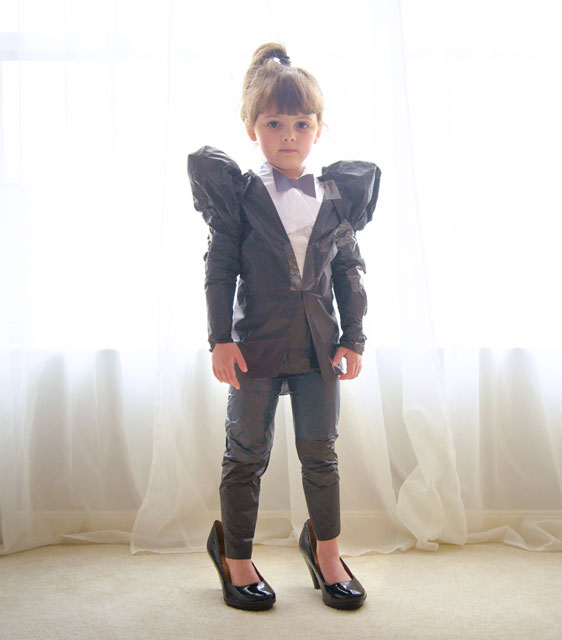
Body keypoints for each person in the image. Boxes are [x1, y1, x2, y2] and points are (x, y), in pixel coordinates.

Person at [187, 42, 380, 611]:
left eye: (301, 123)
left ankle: (327, 553)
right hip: (256, 348)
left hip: (320, 348)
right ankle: (236, 556)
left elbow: (348, 270)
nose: (288, 135)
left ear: (319, 128)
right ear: (252, 128)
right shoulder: (240, 196)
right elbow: (220, 269)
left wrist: (353, 338)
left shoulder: (336, 194)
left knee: (321, 454)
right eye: (274, 123)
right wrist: (220, 339)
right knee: (246, 453)